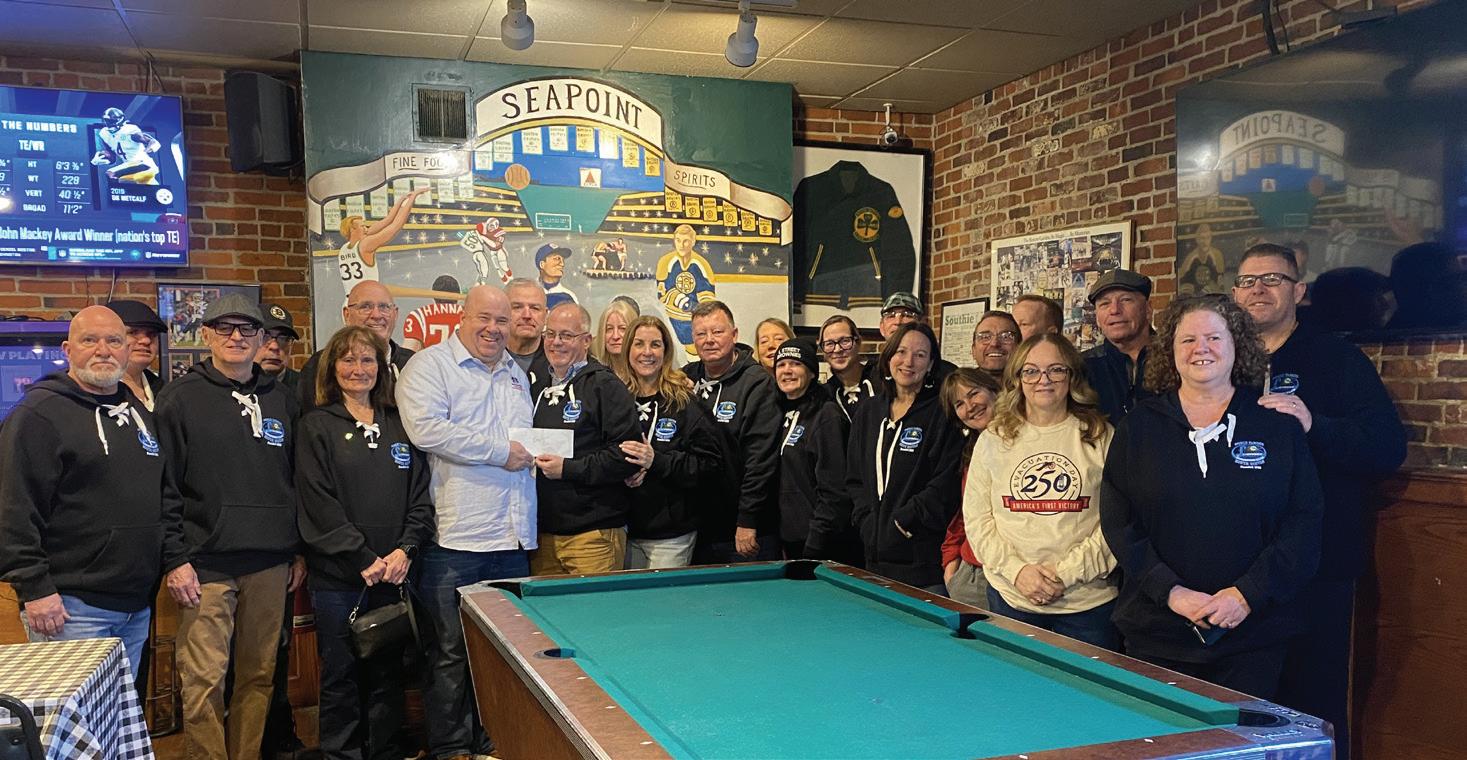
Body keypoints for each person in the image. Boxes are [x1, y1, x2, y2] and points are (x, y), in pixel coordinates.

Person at [1101, 294, 1324, 698]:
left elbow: (1303, 522)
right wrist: (1171, 592)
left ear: (1237, 345)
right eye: (1187, 340)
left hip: (1254, 635)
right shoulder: (1138, 428)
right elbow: (1119, 522)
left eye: (1214, 338)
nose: (1200, 348)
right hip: (1156, 632)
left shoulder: (1276, 426)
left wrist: (1246, 595)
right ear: (1170, 351)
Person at [1232, 244, 1406, 755]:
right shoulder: (1223, 359)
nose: (1258, 289)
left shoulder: (1337, 359)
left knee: (1313, 705)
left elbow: (1386, 447)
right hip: (1239, 566)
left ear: (1299, 291)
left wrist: (1315, 425)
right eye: (1247, 281)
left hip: (1319, 566)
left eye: (1272, 279)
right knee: (1244, 705)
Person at [156, 294, 304, 759]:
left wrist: (297, 550)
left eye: (247, 329)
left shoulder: (282, 399)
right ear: (206, 335)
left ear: (261, 338)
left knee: (258, 677)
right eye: (224, 327)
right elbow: (163, 485)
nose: (236, 337)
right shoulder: (179, 398)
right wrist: (174, 559)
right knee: (204, 680)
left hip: (270, 561)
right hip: (205, 564)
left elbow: (295, 479)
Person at [395, 285, 536, 760]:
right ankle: (452, 750)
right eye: (484, 318)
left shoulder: (516, 374)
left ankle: (491, 743)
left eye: (502, 321)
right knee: (450, 653)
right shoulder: (430, 366)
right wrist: (500, 452)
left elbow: (526, 445)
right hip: (454, 541)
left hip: (512, 538)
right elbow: (427, 430)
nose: (494, 329)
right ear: (462, 317)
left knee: (504, 656)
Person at [0, 306, 163, 679]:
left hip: (135, 603)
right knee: (73, 715)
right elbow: (13, 508)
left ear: (126, 350)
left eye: (114, 341)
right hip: (69, 608)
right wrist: (35, 589)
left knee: (117, 711)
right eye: (90, 340)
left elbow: (159, 492)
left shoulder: (137, 412)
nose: (103, 350)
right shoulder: (38, 414)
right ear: (67, 349)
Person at [297, 326, 434, 760]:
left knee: (388, 678)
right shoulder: (316, 426)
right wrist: (362, 557)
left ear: (381, 367)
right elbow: (318, 503)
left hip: (394, 577)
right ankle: (341, 754)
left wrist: (405, 551)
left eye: (367, 359)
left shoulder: (400, 424)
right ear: (332, 367)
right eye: (348, 359)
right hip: (340, 580)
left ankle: (385, 753)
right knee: (341, 677)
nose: (358, 369)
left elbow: (421, 498)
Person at [963, 334, 1118, 648]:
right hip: (1011, 600)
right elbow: (978, 520)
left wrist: (1065, 574)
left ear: (1071, 376)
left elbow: (1117, 524)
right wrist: (1018, 572)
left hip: (1087, 608)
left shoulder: (1100, 435)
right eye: (1031, 371)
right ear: (1018, 378)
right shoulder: (995, 437)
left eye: (1055, 370)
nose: (1043, 380)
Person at [847, 323, 964, 594]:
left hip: (923, 564)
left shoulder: (942, 413)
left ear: (931, 364)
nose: (908, 362)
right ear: (889, 357)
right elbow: (854, 477)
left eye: (920, 355)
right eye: (901, 352)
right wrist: (866, 521)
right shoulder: (869, 411)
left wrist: (905, 520)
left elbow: (946, 482)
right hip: (873, 561)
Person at [529, 303, 641, 575]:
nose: (556, 342)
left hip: (593, 535)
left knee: (595, 604)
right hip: (543, 535)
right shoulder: (534, 384)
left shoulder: (605, 385)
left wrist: (568, 469)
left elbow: (626, 456)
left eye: (566, 335)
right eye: (550, 334)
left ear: (587, 340)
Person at [616, 316, 720, 569]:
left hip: (671, 535)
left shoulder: (684, 401)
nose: (647, 352)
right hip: (623, 530)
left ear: (666, 351)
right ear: (628, 349)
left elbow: (710, 465)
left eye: (655, 344)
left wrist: (656, 461)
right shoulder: (616, 398)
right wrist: (621, 472)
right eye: (639, 344)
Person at [683, 301, 782, 562]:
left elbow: (761, 460)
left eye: (717, 332)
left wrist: (747, 520)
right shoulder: (685, 379)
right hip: (696, 528)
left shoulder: (758, 383)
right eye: (701, 334)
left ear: (734, 335)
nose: (709, 340)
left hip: (744, 530)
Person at [771, 338, 857, 562]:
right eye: (781, 365)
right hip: (788, 539)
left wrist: (816, 542)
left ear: (811, 372)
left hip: (821, 544)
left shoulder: (826, 415)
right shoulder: (777, 412)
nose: (787, 370)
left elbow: (835, 489)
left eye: (796, 364)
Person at [938, 367, 1001, 609]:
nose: (970, 407)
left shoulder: (1026, 440)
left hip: (1013, 574)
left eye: (974, 393)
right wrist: (951, 559)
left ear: (994, 391)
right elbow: (965, 513)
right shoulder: (970, 450)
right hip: (972, 575)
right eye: (959, 404)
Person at [301, 280, 415, 412]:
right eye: (366, 307)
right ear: (347, 315)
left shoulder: (413, 364)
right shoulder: (320, 365)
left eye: (384, 307)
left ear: (395, 314)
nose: (376, 315)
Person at [1083, 269, 1155, 423]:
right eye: (1104, 303)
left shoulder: (1177, 358)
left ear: (1148, 309)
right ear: (1097, 318)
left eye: (1126, 300)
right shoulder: (1083, 367)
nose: (1114, 310)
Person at [338, 188, 427, 298]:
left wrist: (401, 200)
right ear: (352, 230)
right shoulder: (365, 244)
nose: (366, 229)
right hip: (366, 299)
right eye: (362, 226)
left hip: (349, 301)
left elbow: (388, 220)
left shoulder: (344, 248)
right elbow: (395, 226)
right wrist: (413, 197)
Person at [656, 224, 717, 355]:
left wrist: (700, 309)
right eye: (678, 240)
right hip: (673, 316)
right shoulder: (665, 262)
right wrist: (683, 302)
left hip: (695, 320)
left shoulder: (702, 264)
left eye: (686, 241)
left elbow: (708, 295)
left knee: (695, 350)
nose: (681, 245)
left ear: (693, 242)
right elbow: (662, 293)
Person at [106, 299, 168, 410]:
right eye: (133, 332)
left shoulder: (164, 391)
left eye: (152, 334)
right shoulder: (94, 392)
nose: (146, 340)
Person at [819, 314, 876, 420]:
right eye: (829, 344)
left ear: (858, 342)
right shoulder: (824, 395)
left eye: (845, 341)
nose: (837, 349)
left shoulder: (879, 379)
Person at [92, 106, 161, 184]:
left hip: (143, 164)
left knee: (111, 173)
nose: (107, 124)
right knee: (124, 183)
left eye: (110, 121)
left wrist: (147, 151)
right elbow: (112, 158)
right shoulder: (104, 133)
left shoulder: (129, 130)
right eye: (106, 120)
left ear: (119, 121)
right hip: (130, 166)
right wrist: (102, 158)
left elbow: (153, 142)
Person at [505, 278, 552, 386]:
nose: (527, 315)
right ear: (502, 311)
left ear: (546, 316)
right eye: (517, 307)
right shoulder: (484, 358)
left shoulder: (561, 363)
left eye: (535, 308)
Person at [401, 274, 464, 352]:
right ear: (458, 296)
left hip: (430, 359)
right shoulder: (469, 314)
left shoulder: (419, 316)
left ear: (434, 295)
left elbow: (408, 352)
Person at [256, 303, 302, 391]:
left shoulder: (307, 389)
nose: (274, 347)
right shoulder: (232, 386)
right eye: (265, 336)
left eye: (283, 338)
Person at [590, 298, 637, 377]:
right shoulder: (594, 375)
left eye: (622, 329)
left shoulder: (644, 374)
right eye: (609, 329)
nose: (615, 336)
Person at [969, 310, 1020, 375]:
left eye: (1005, 337)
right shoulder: (958, 381)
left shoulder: (1031, 380)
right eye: (985, 337)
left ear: (1020, 346)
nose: (994, 343)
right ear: (973, 350)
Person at [534, 244, 578, 310]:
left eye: (563, 260)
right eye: (557, 259)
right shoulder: (528, 292)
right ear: (542, 264)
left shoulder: (569, 296)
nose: (562, 264)